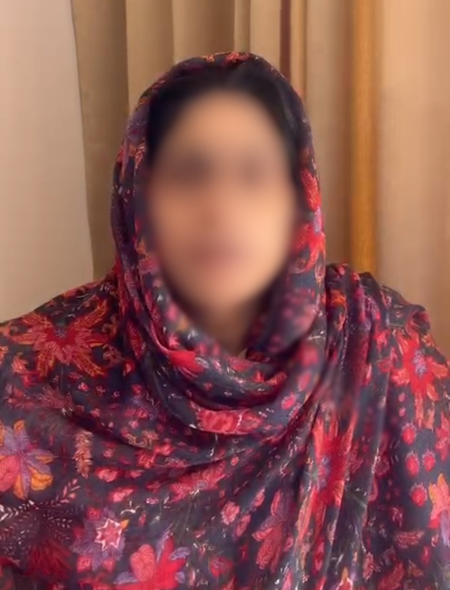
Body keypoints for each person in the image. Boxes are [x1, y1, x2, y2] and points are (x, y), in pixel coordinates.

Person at [0, 52, 448, 590]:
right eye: (189, 173)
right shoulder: (24, 381)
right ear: (137, 198)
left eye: (255, 174)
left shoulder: (378, 345)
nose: (220, 206)